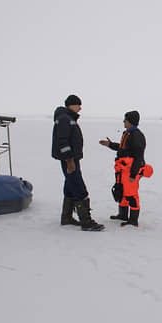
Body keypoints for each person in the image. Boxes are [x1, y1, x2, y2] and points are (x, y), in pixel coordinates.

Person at [51, 94, 104, 231]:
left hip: (72, 159)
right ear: (71, 105)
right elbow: (63, 141)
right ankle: (86, 221)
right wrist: (69, 160)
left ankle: (66, 217)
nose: (80, 108)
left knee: (70, 186)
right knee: (79, 187)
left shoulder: (67, 118)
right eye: (78, 105)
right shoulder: (65, 119)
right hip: (69, 160)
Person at [99, 110, 147, 227]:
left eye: (125, 119)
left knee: (131, 194)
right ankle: (123, 214)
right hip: (122, 170)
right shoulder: (127, 133)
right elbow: (122, 149)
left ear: (130, 121)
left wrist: (133, 174)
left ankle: (133, 219)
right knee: (122, 191)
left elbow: (138, 157)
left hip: (131, 170)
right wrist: (110, 144)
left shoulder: (137, 136)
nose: (123, 121)